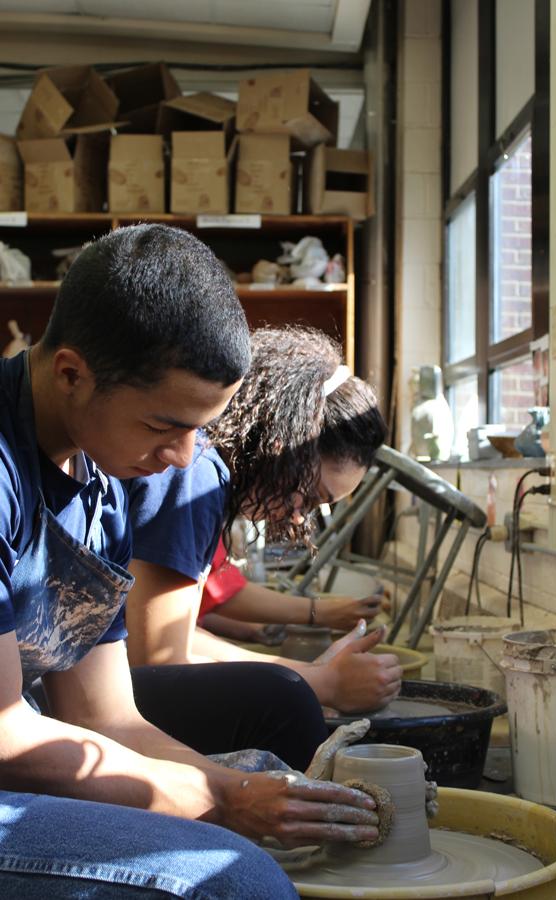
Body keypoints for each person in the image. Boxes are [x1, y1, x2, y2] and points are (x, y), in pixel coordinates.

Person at [0, 226, 378, 898]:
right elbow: (9, 738)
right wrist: (222, 800)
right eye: (163, 426)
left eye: (200, 428)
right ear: (70, 373)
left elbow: (104, 716)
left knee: (281, 788)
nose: (183, 458)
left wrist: (241, 788)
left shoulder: (105, 482)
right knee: (237, 880)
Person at [125, 327, 403, 730]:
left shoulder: (207, 470)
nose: (296, 517)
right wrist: (321, 683)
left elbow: (171, 639)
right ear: (285, 439)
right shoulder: (195, 478)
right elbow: (158, 665)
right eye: (308, 495)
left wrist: (307, 672)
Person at [198, 535, 385, 644]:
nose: (300, 519)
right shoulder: (197, 487)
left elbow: (197, 605)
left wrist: (253, 629)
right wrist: (320, 612)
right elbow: (218, 591)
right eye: (317, 496)